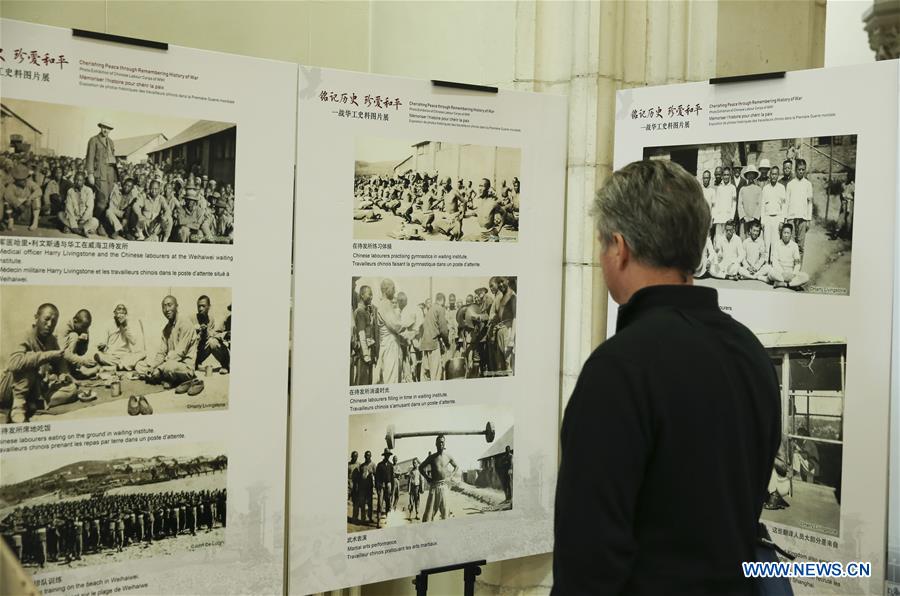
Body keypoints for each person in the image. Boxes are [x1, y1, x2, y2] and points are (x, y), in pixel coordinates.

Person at [553, 160, 781, 595]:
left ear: (618, 248)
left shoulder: (618, 370)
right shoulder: (748, 351)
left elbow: (588, 561)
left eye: (602, 245)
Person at [0, 304, 78, 423]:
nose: (50, 324)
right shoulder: (24, 335)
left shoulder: (51, 339)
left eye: (54, 321)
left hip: (33, 389)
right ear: (36, 318)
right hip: (8, 389)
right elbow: (14, 363)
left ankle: (35, 404)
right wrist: (47, 355)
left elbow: (60, 360)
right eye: (46, 319)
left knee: (72, 390)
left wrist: (65, 375)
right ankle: (19, 407)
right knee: (29, 360)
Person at [134, 296, 198, 388]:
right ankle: (166, 378)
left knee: (168, 367)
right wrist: (152, 367)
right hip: (168, 363)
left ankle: (168, 378)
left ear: (176, 306)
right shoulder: (166, 329)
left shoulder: (185, 324)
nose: (167, 309)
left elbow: (180, 353)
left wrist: (160, 368)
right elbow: (161, 353)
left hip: (183, 367)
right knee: (140, 365)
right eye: (164, 307)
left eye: (169, 305)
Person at [95, 304, 146, 370]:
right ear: (114, 312)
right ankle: (121, 366)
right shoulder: (108, 324)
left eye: (123, 309)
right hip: (111, 356)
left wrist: (125, 326)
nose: (121, 311)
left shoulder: (129, 324)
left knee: (143, 354)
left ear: (126, 313)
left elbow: (133, 341)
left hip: (126, 356)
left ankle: (116, 367)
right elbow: (103, 342)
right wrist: (102, 346)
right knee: (96, 355)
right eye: (119, 309)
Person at [420, 435, 459, 522]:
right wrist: (427, 478)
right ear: (436, 444)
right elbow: (420, 467)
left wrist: (451, 476)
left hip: (444, 486)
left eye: (442, 442)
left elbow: (456, 467)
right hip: (434, 487)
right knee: (428, 515)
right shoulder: (431, 457)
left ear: (444, 444)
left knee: (445, 514)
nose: (441, 444)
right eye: (439, 442)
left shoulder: (448, 456)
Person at [85, 119, 118, 218]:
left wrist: (115, 178)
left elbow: (113, 159)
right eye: (104, 127)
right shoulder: (93, 140)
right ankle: (95, 220)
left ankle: (102, 223)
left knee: (108, 200)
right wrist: (90, 174)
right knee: (102, 200)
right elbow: (90, 158)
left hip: (110, 175)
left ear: (110, 130)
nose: (105, 130)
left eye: (108, 128)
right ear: (100, 127)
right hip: (100, 174)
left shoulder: (111, 142)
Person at [374, 279, 404, 384]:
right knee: (391, 379)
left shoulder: (386, 304)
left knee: (392, 377)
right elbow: (396, 325)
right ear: (386, 289)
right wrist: (408, 323)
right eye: (393, 288)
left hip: (390, 344)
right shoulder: (385, 304)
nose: (395, 291)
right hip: (389, 345)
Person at [192, 295, 230, 372]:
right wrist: (198, 332)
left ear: (209, 307)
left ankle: (225, 365)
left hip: (202, 349)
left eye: (203, 306)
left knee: (212, 342)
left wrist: (205, 332)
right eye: (199, 306)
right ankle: (194, 364)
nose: (200, 309)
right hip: (192, 351)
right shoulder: (191, 319)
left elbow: (212, 336)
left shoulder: (211, 319)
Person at [785, 158, 813, 259]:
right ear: (795, 170)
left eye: (803, 169)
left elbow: (810, 203)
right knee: (791, 245)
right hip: (791, 218)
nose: (801, 171)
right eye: (799, 169)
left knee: (801, 246)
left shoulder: (808, 184)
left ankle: (798, 269)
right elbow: (786, 203)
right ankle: (790, 268)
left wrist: (808, 220)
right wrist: (785, 218)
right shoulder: (790, 184)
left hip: (803, 219)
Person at [768, 223, 809, 289]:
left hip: (791, 273)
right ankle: (792, 284)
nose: (786, 235)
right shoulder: (777, 244)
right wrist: (783, 273)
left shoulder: (794, 245)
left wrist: (793, 274)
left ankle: (784, 284)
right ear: (781, 233)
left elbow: (797, 263)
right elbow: (775, 262)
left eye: (788, 233)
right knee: (770, 272)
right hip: (780, 273)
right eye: (784, 233)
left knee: (806, 276)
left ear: (791, 234)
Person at [1, 163, 41, 231]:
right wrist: (18, 204)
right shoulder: (12, 185)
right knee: (7, 202)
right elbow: (8, 195)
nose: (23, 180)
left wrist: (30, 198)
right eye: (21, 179)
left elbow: (39, 190)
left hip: (28, 206)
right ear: (16, 180)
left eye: (24, 178)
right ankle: (11, 220)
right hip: (16, 208)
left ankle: (35, 222)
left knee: (37, 198)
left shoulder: (29, 183)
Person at [59, 171, 100, 237]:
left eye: (80, 180)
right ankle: (80, 231)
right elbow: (69, 208)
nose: (78, 182)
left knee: (95, 221)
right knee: (60, 214)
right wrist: (73, 223)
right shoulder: (70, 191)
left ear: (84, 181)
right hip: (73, 218)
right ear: (74, 180)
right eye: (76, 180)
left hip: (84, 220)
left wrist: (83, 219)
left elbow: (90, 208)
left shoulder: (88, 191)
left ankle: (72, 228)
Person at [420, 293, 450, 381]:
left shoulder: (430, 309)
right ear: (443, 300)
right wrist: (447, 343)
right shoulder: (440, 309)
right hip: (433, 344)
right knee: (436, 374)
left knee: (426, 373)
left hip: (425, 344)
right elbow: (443, 330)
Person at [760, 165, 786, 257]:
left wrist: (782, 221)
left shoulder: (782, 188)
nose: (774, 176)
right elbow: (763, 205)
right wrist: (762, 220)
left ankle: (774, 264)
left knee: (775, 244)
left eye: (776, 174)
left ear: (778, 175)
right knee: (766, 243)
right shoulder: (766, 188)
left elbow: (784, 205)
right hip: (767, 218)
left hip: (777, 218)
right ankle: (766, 263)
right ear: (770, 175)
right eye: (772, 174)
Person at [353, 286, 377, 385]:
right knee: (363, 381)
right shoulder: (360, 312)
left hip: (368, 350)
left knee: (367, 381)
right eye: (369, 294)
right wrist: (366, 355)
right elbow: (361, 334)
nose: (371, 297)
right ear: (362, 295)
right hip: (363, 353)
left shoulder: (366, 311)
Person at [711, 166, 736, 245]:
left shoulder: (732, 188)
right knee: (718, 239)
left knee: (727, 239)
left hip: (728, 217)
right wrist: (714, 216)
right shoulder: (719, 188)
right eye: (724, 175)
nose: (726, 177)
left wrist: (731, 217)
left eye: (727, 175)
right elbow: (716, 203)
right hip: (719, 218)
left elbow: (734, 203)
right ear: (722, 176)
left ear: (730, 176)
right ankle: (718, 256)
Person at [736, 164, 761, 238]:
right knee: (744, 238)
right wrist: (743, 217)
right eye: (749, 175)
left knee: (753, 239)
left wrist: (755, 217)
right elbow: (740, 204)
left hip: (754, 220)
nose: (750, 177)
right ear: (746, 176)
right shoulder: (743, 189)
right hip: (744, 220)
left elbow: (759, 204)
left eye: (752, 175)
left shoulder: (758, 189)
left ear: (754, 176)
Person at [374, 449, 395, 524]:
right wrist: (377, 486)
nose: (387, 456)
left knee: (388, 502)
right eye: (386, 455)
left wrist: (392, 488)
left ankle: (387, 519)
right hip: (381, 485)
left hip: (388, 485)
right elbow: (376, 477)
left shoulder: (391, 465)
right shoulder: (380, 465)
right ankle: (378, 521)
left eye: (388, 455)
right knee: (380, 502)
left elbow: (392, 477)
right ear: (384, 455)